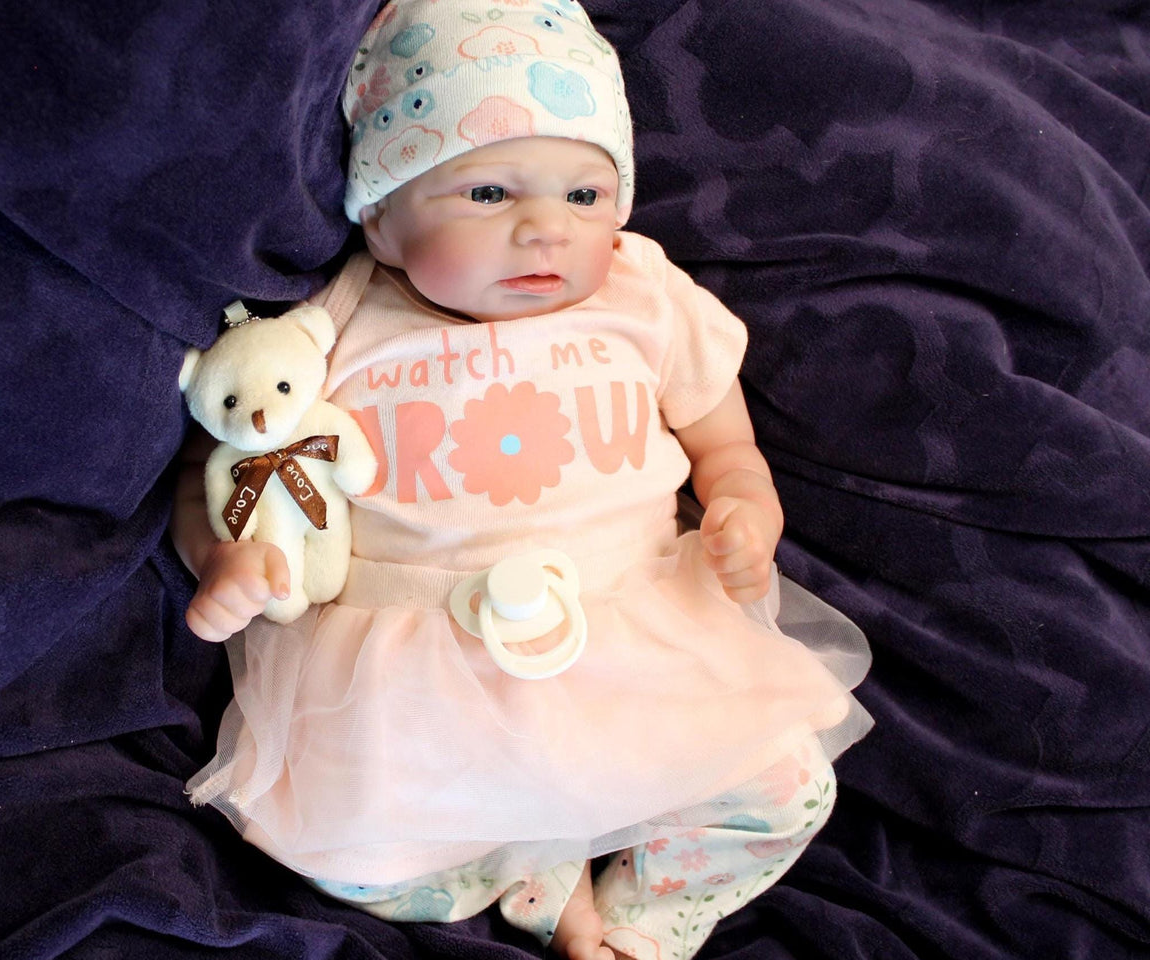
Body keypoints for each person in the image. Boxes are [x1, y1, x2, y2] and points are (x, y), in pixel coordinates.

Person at [173, 2, 873, 957]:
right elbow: (229, 470)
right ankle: (532, 878)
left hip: (636, 633)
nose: (546, 230)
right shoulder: (331, 328)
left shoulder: (641, 293)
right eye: (490, 195)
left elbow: (724, 441)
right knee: (342, 851)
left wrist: (745, 504)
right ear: (381, 219)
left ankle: (642, 921)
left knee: (789, 787)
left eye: (584, 196)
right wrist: (228, 561)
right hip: (417, 664)